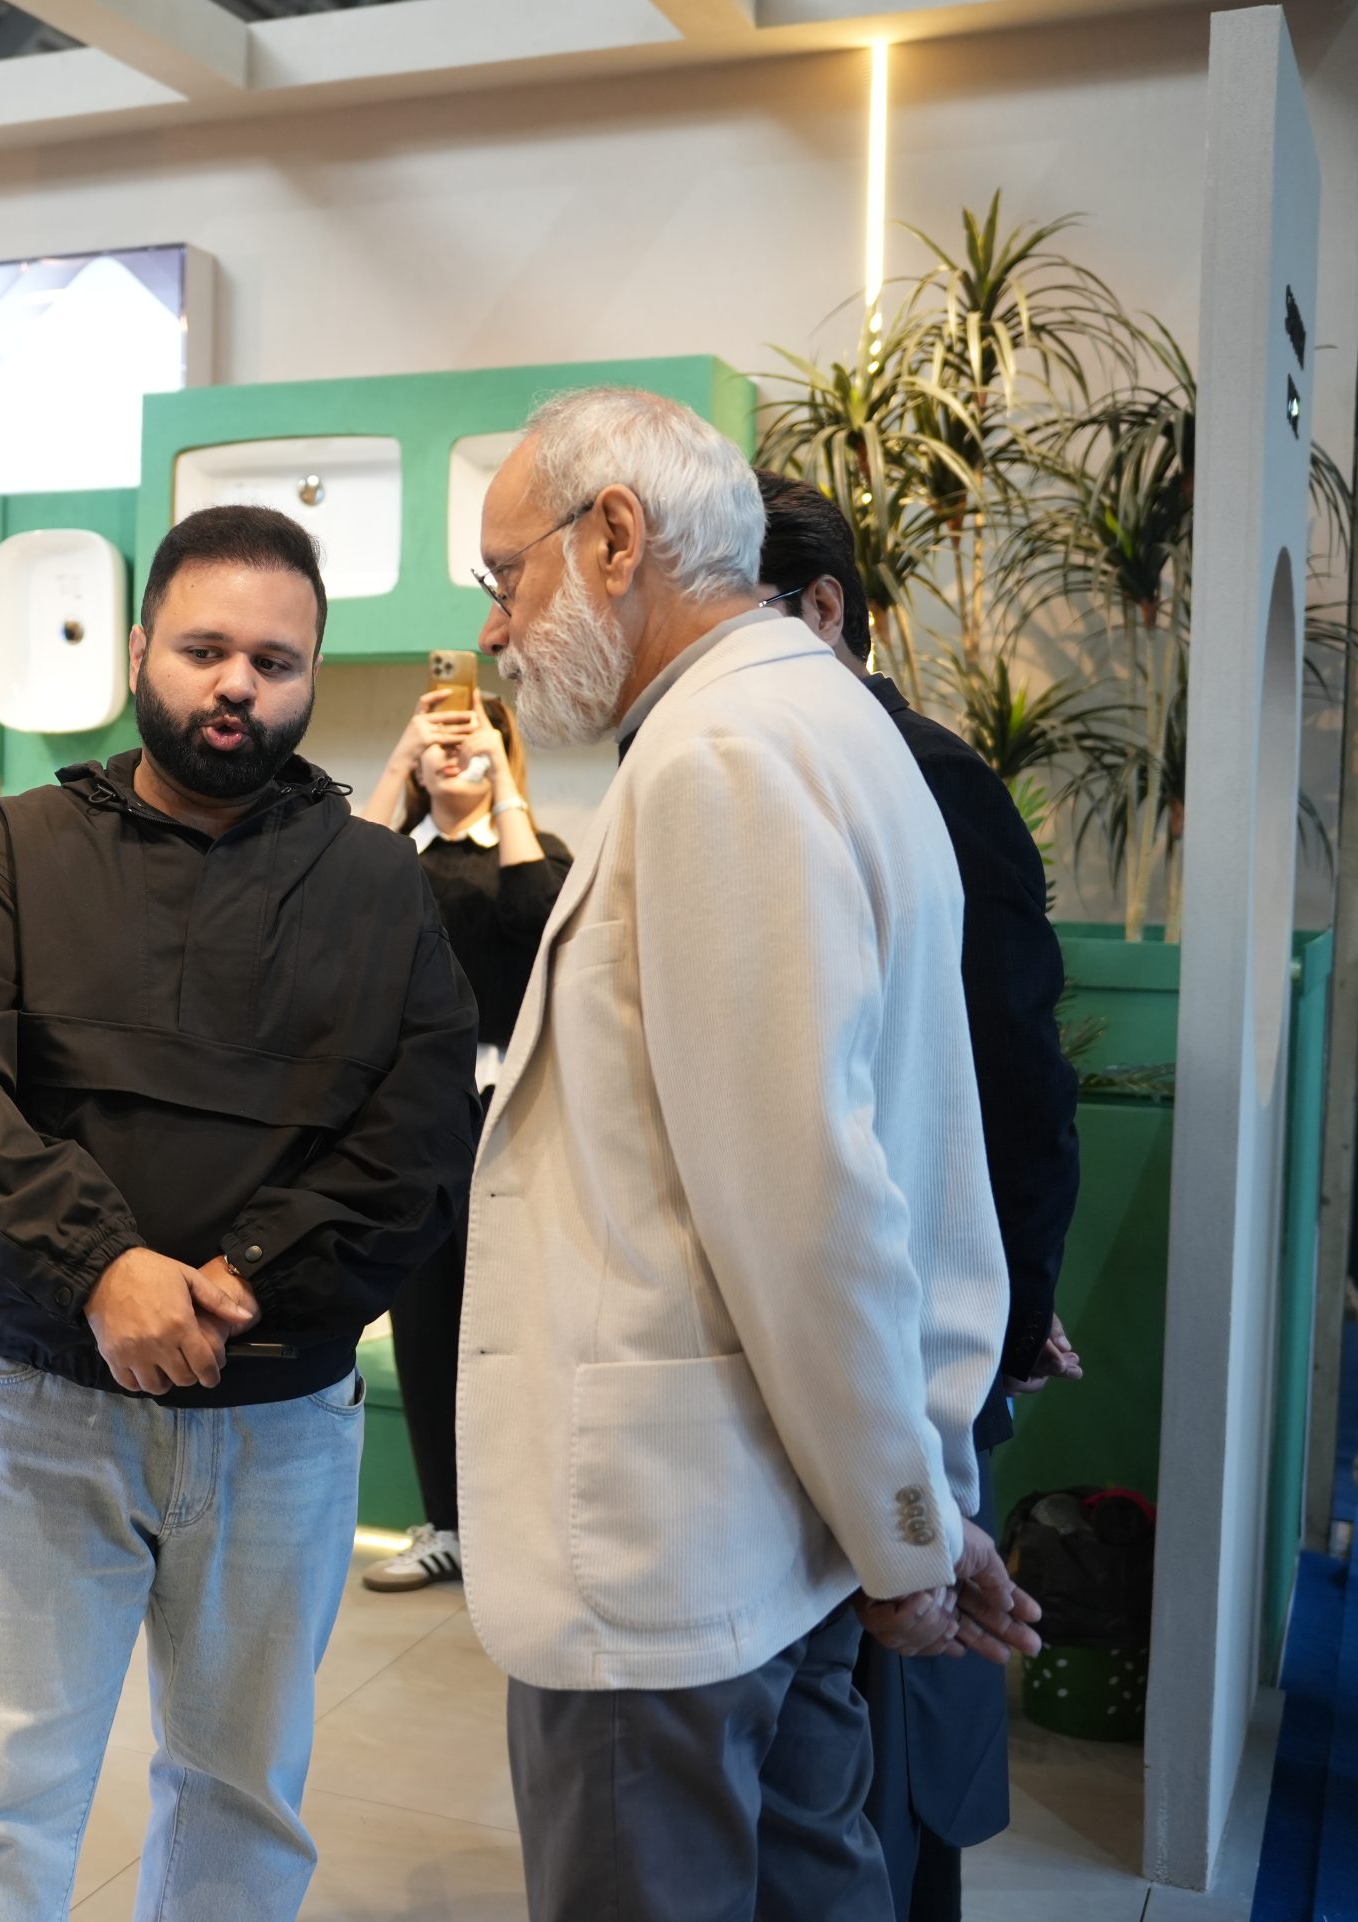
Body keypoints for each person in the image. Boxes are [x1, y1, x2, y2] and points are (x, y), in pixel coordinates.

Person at [453, 387, 1043, 1922]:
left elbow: (804, 1206)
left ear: (616, 536)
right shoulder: (821, 721)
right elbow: (899, 1169)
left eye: (506, 576)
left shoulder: (720, 754)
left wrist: (907, 1533)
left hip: (673, 1560)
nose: (498, 629)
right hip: (772, 1532)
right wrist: (917, 1500)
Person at [0, 504, 480, 1920]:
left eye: (276, 661)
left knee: (241, 1802)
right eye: (206, 649)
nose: (237, 685)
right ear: (140, 647)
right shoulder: (19, 848)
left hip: (279, 1422)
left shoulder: (376, 883)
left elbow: (416, 1141)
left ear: (312, 676)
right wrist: (103, 1268)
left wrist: (239, 1282)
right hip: (37, 1407)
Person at [757, 470, 1085, 1922]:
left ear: (824, 607)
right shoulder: (766, 767)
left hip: (907, 1339)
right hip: (801, 1345)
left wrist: (1008, 1314)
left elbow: (1014, 1077)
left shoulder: (932, 780)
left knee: (904, 1753)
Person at [353, 690, 569, 1591]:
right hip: (415, 1115)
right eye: (437, 735)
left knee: (519, 1321)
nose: (452, 748)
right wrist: (399, 759)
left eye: (471, 734)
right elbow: (335, 892)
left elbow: (539, 919)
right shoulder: (395, 860)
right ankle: (446, 1523)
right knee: (426, 1320)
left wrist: (503, 778)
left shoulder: (532, 852)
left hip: (510, 1112)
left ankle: (525, 1526)